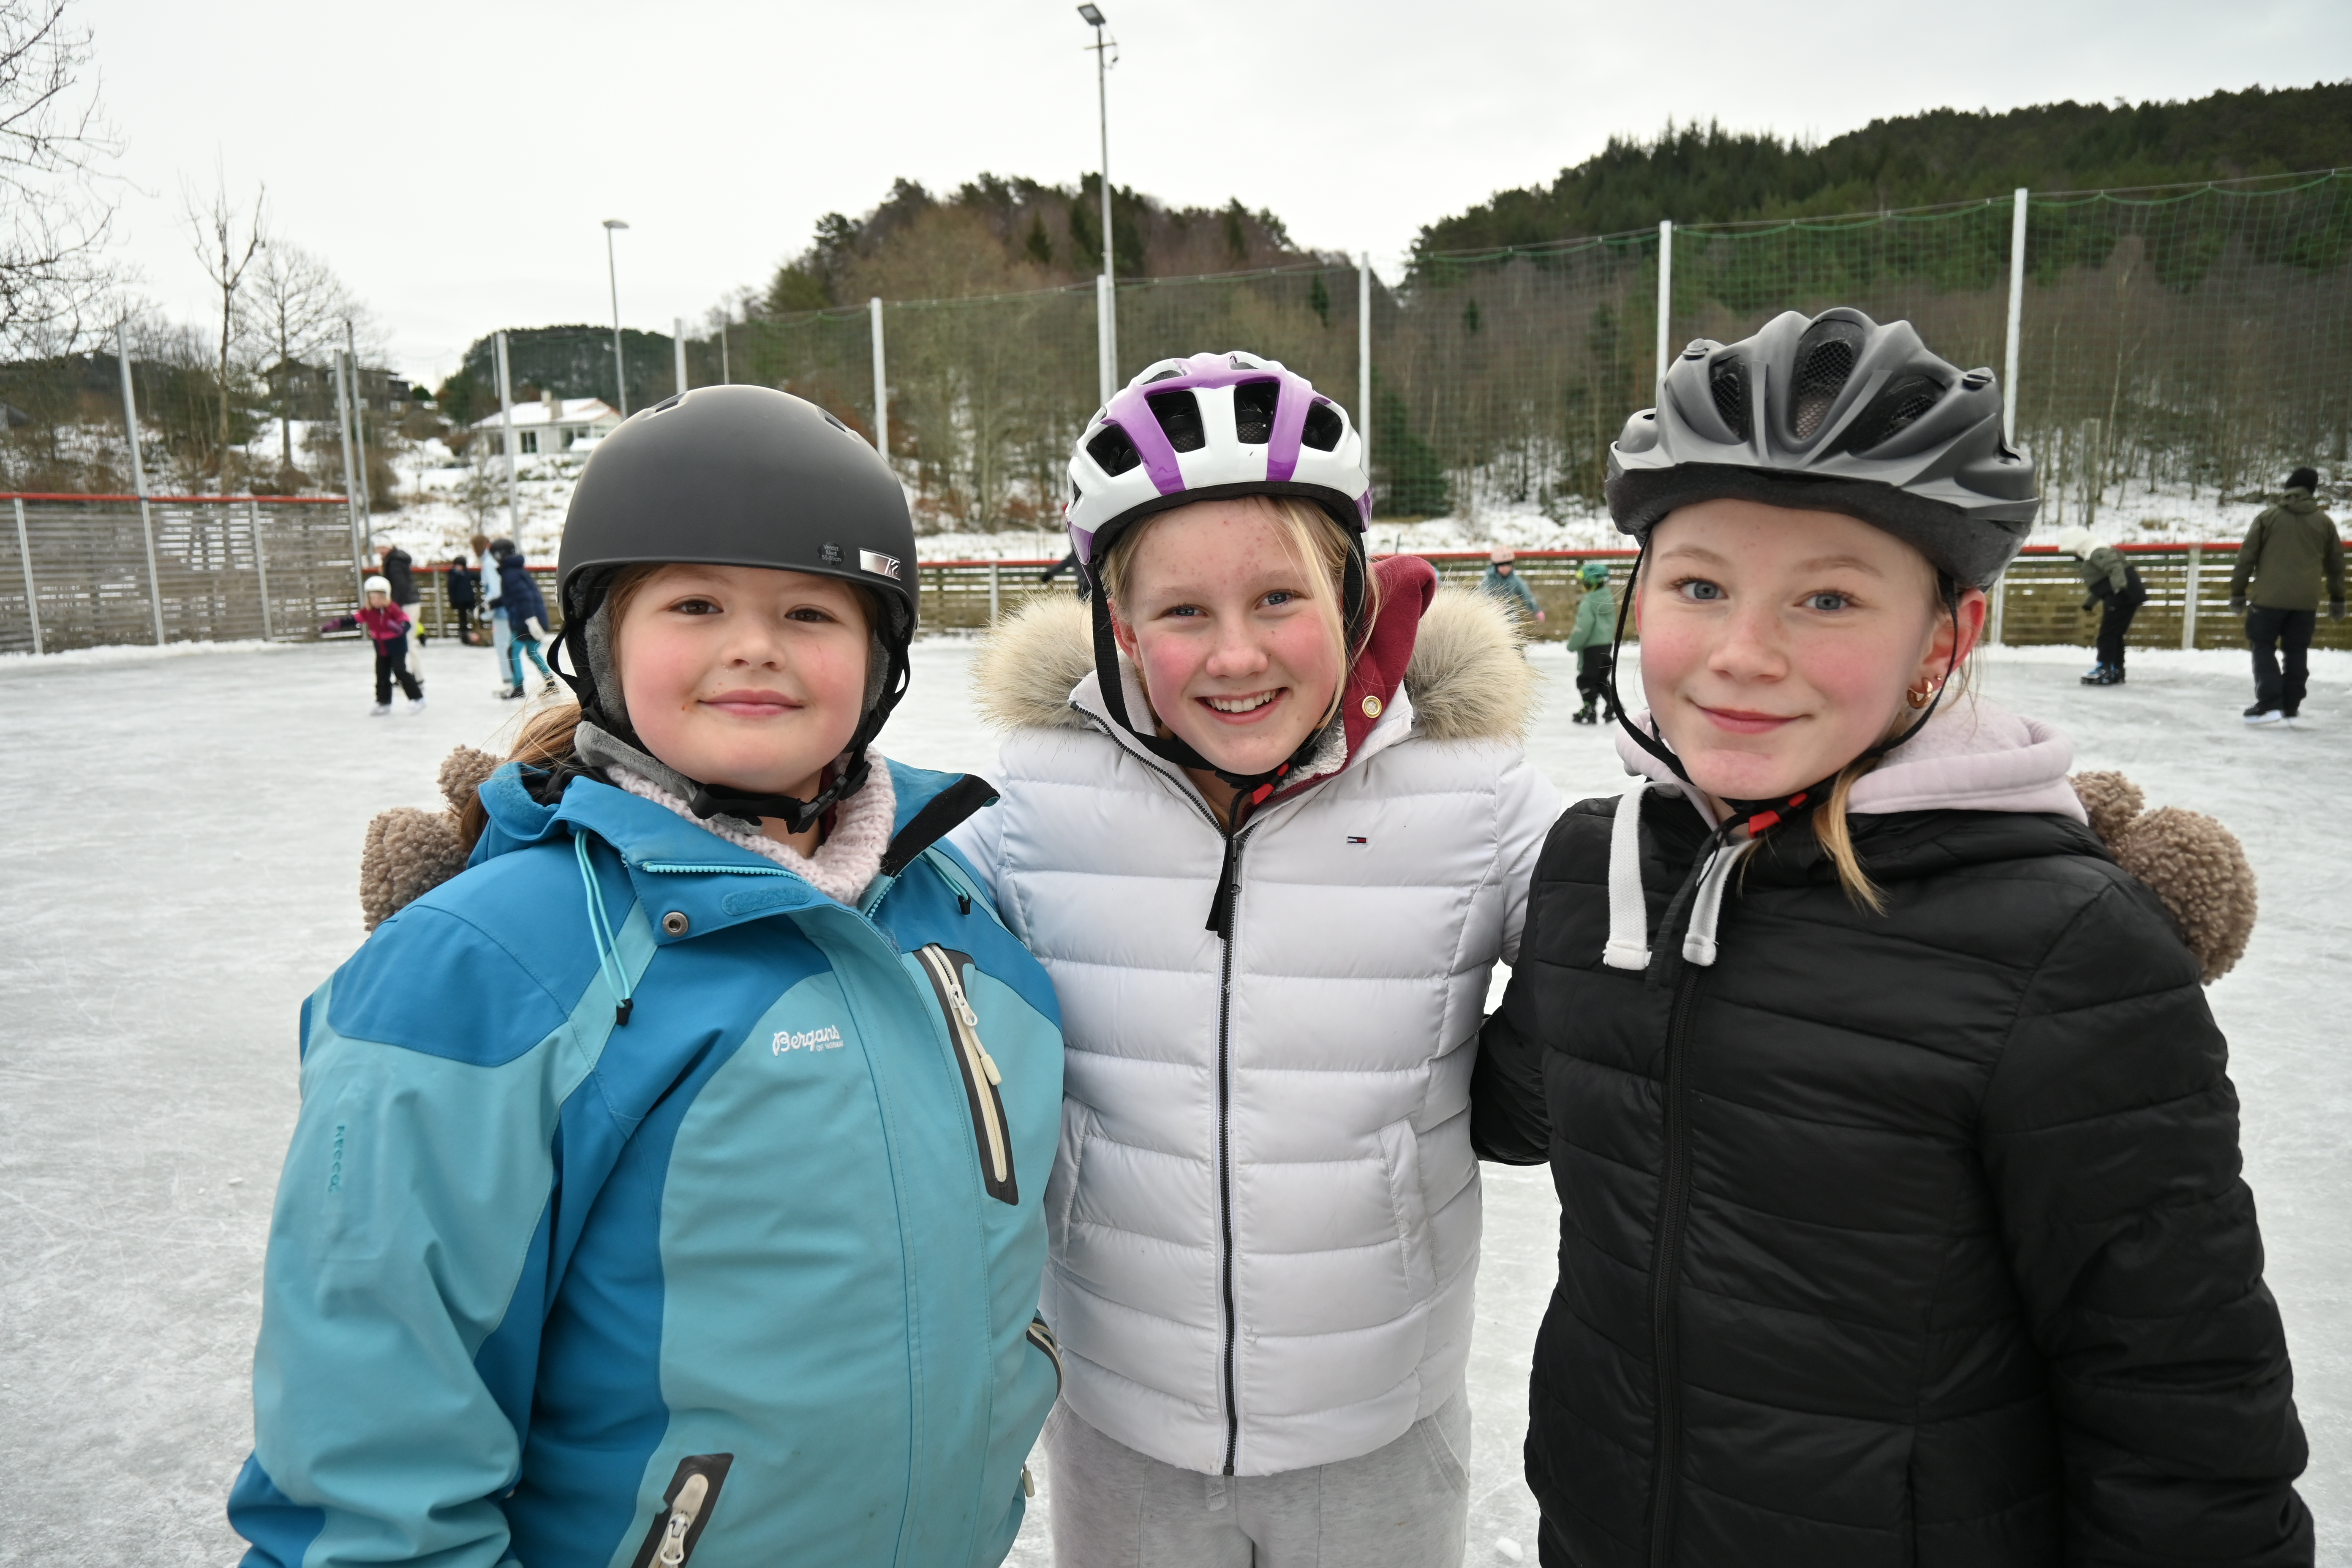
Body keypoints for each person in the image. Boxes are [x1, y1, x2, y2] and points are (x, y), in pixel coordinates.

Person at [1471, 308, 2311, 1567]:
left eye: (1826, 596)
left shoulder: (2064, 949)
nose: (1742, 655)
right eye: (1700, 584)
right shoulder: (1598, 860)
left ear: (1943, 641)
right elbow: (1510, 1105)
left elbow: (2182, 1405)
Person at [228, 386, 1066, 1568]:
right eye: (696, 603)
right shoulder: (481, 973)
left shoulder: (966, 921)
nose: (755, 646)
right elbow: (372, 1466)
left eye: (813, 611)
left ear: (882, 661)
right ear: (600, 639)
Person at [952, 352, 1561, 1568]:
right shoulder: (1028, 803)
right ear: (1118, 628)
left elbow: (1675, 935)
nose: (1236, 658)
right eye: (1183, 613)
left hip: (1379, 1423)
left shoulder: (1479, 797)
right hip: (1123, 1420)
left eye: (1278, 599)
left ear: (1351, 597)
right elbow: (829, 912)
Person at [2230, 466, 2344, 727]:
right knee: (2296, 650)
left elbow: (2246, 558)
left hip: (2267, 600)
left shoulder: (2268, 517)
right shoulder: (2324, 523)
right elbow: (2336, 565)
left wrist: (2237, 592)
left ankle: (2270, 704)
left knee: (2262, 646)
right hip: (2305, 602)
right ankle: (2291, 705)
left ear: (2288, 489)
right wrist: (2338, 599)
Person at [2059, 525, 2147, 685]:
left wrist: (2120, 591)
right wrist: (2090, 603)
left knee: (2107, 635)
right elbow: (2104, 583)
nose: (2074, 555)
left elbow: (2115, 568)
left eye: (2073, 551)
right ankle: (2116, 669)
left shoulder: (2098, 552)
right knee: (2115, 634)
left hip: (2123, 596)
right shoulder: (2097, 551)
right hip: (2126, 595)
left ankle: (2104, 669)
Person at [492, 538, 556, 698]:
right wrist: (491, 605)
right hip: (533, 617)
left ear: (500, 555)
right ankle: (551, 684)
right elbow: (511, 597)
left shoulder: (510, 573)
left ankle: (518, 688)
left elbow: (524, 597)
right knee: (533, 652)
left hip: (525, 620)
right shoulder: (516, 570)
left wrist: (530, 620)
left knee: (513, 651)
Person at [356, 572, 423, 715]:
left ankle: (417, 698)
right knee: (381, 674)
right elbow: (355, 619)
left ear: (386, 596)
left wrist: (401, 629)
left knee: (400, 671)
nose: (376, 601)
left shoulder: (393, 609)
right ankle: (383, 702)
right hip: (381, 648)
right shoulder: (369, 611)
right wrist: (336, 624)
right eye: (373, 598)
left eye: (379, 597)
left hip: (397, 647)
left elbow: (406, 622)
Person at [1565, 559, 1616, 724]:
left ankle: (1589, 709)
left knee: (1586, 679)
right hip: (1607, 645)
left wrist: (1573, 645)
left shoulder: (1588, 603)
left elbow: (1584, 627)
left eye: (1586, 584)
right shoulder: (1609, 600)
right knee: (1601, 678)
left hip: (1591, 648)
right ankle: (1612, 705)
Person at [473, 530, 513, 687]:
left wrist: (486, 611)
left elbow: (495, 591)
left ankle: (509, 680)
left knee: (503, 645)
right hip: (504, 610)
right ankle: (511, 680)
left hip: (501, 612)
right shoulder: (492, 562)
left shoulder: (489, 564)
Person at [378, 542, 423, 656]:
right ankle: (410, 671)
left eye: (383, 547)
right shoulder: (392, 560)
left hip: (406, 603)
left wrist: (395, 606)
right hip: (409, 602)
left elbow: (400, 585)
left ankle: (409, 672)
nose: (381, 551)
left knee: (406, 640)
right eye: (378, 548)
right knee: (406, 639)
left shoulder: (395, 562)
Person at [1480, 544, 1544, 623]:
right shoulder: (1489, 579)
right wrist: (1492, 604)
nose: (1506, 568)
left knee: (1515, 627)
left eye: (1509, 564)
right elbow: (1484, 595)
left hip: (1510, 614)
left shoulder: (1515, 579)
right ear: (1496, 566)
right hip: (1491, 614)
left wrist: (1536, 610)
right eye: (1502, 565)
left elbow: (1526, 595)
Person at [445, 550, 479, 645]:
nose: (459, 567)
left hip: (470, 599)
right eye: (457, 565)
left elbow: (476, 577)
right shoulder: (453, 575)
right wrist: (453, 601)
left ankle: (476, 634)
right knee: (463, 619)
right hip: (460, 601)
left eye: (461, 565)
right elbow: (451, 588)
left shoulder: (467, 573)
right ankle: (464, 637)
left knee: (474, 616)